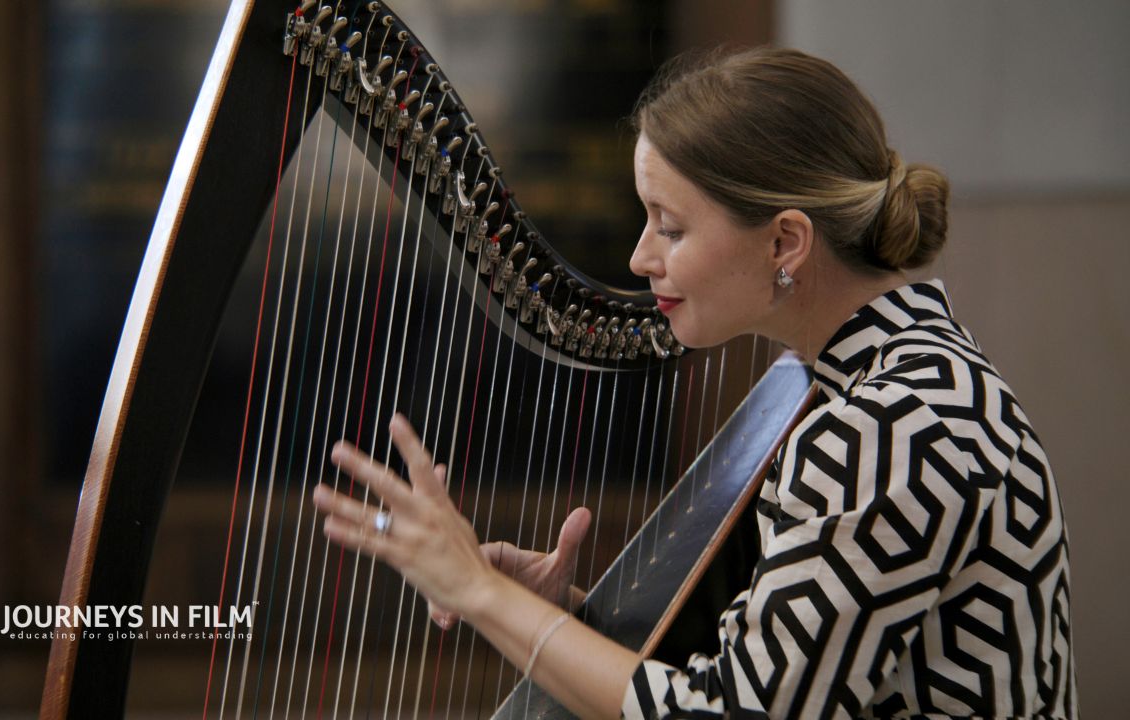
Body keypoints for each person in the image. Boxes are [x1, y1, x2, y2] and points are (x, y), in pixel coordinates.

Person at [311, 47, 1078, 718]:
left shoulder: (887, 428)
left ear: (785, 241)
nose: (643, 258)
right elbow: (787, 675)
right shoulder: (904, 377)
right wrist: (560, 618)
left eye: (669, 226)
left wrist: (483, 594)